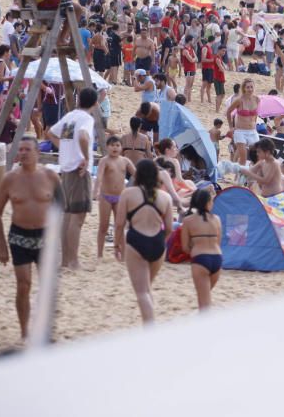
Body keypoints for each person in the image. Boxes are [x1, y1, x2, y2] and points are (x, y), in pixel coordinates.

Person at [0, 136, 60, 339]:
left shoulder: (50, 176)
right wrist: (2, 245)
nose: (22, 153)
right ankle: (24, 331)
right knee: (24, 285)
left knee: (47, 287)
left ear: (37, 153)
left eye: (27, 150)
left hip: (45, 237)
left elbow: (61, 208)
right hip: (19, 236)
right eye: (20, 150)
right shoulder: (10, 179)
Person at [45, 87, 99, 270]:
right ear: (95, 103)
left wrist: (64, 148)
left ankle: (66, 260)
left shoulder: (70, 116)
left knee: (68, 215)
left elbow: (50, 133)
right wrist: (84, 157)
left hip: (66, 168)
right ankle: (73, 261)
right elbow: (84, 137)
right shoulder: (86, 118)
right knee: (77, 218)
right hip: (78, 170)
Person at [114, 159, 174, 324]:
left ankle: (150, 331)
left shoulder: (128, 194)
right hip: (158, 243)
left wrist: (117, 244)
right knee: (147, 289)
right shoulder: (165, 197)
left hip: (137, 241)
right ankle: (149, 325)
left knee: (141, 293)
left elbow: (119, 224)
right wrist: (163, 242)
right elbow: (169, 228)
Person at [94, 136, 136, 259]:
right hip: (106, 197)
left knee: (120, 226)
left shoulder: (125, 161)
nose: (115, 148)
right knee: (104, 225)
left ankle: (121, 253)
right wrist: (96, 191)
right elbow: (100, 176)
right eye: (112, 145)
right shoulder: (104, 161)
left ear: (121, 148)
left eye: (118, 145)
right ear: (107, 147)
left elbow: (137, 174)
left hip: (120, 198)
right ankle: (99, 254)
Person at [180, 188, 222, 310]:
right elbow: (218, 242)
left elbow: (185, 248)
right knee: (206, 297)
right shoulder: (217, 219)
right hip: (217, 259)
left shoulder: (188, 221)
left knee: (204, 304)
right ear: (208, 202)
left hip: (201, 259)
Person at [226, 78, 261, 165]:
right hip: (240, 131)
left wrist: (255, 125)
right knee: (243, 157)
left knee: (257, 154)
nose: (250, 89)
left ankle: (240, 169)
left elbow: (255, 114)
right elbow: (228, 112)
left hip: (252, 130)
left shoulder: (257, 99)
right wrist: (231, 127)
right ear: (244, 88)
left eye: (251, 87)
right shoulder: (239, 100)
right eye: (248, 87)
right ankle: (238, 177)